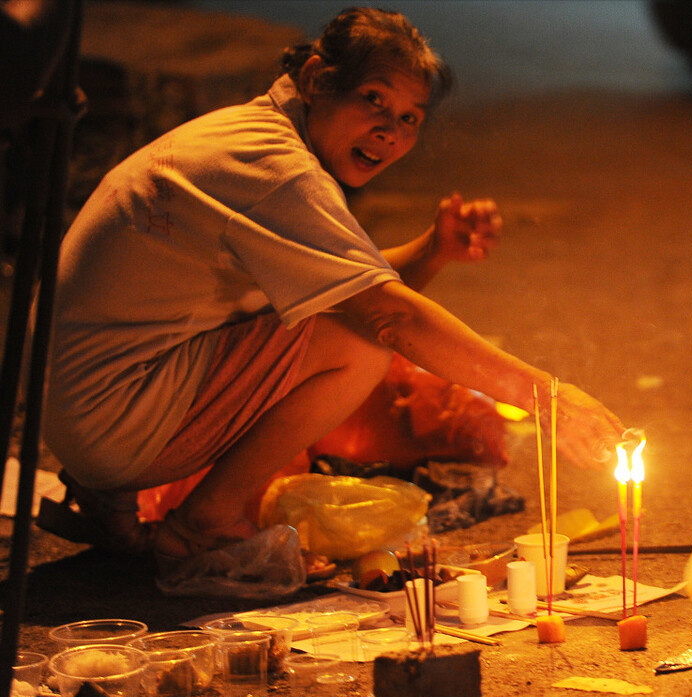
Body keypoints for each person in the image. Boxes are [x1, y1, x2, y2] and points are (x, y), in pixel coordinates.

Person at [38, 7, 625, 572]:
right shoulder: (278, 171)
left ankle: (113, 502)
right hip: (113, 418)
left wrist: (432, 250)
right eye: (373, 100)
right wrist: (550, 399)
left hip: (87, 412)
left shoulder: (260, 135)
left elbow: (348, 293)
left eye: (409, 118)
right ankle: (205, 522)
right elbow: (385, 318)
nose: (388, 133)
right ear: (319, 78)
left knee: (339, 326)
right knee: (363, 349)